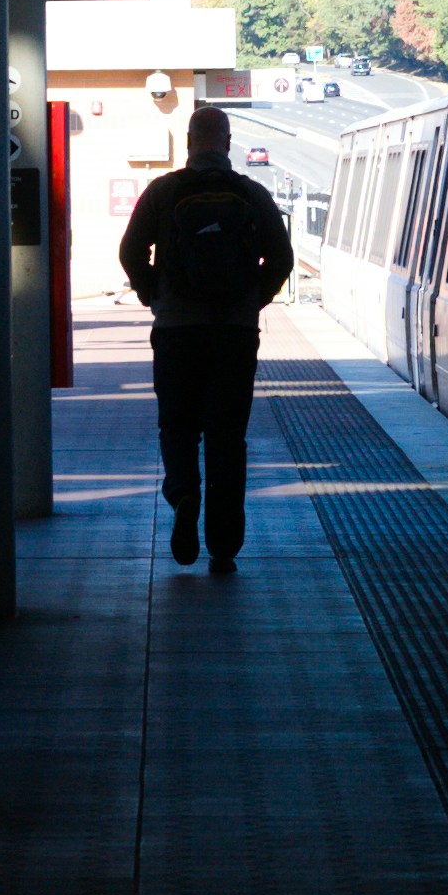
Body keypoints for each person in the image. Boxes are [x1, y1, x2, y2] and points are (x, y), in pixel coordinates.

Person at [117, 104, 293, 573]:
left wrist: (153, 293)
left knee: (177, 425)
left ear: (191, 141)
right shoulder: (251, 193)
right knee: (227, 435)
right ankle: (223, 544)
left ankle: (184, 496)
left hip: (177, 330)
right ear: (228, 142)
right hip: (234, 334)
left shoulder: (163, 192)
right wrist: (252, 301)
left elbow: (131, 249)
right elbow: (282, 258)